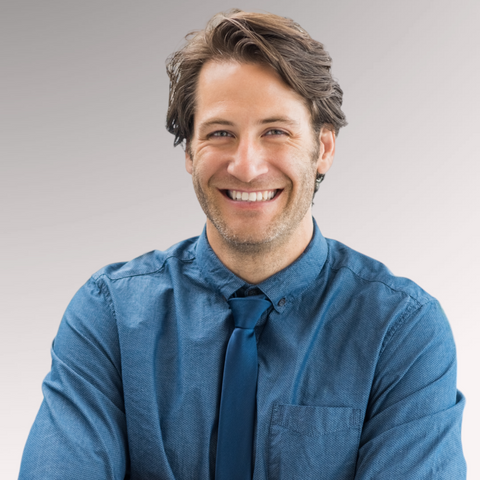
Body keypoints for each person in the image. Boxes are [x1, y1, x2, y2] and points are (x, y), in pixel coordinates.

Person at [19, 9, 466, 479]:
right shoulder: (108, 316)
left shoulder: (402, 331)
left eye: (276, 131)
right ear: (189, 154)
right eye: (220, 134)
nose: (247, 166)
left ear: (324, 150)